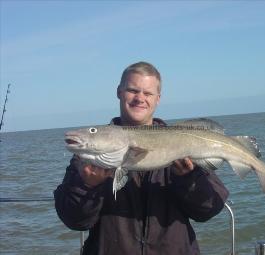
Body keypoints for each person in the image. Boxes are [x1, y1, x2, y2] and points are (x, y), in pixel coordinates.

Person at [54, 61, 229, 255]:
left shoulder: (184, 142)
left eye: (148, 93)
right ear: (119, 92)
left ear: (158, 99)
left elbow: (208, 209)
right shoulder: (87, 157)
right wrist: (86, 186)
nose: (140, 98)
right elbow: (74, 220)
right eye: (132, 90)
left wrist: (190, 178)